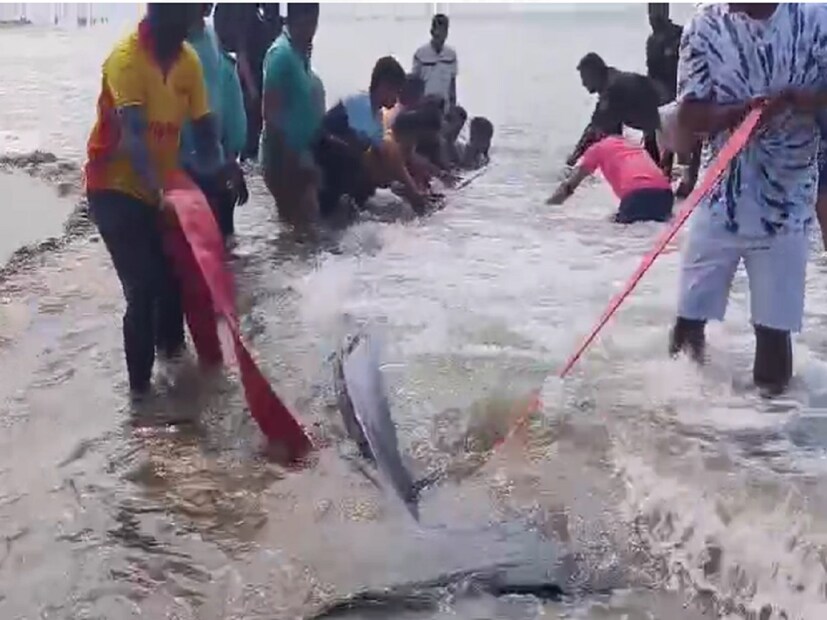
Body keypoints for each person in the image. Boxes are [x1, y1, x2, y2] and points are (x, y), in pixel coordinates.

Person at [669, 2, 827, 395]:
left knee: (774, 330)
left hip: (787, 206)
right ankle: (678, 414)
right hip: (719, 200)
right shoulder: (703, 26)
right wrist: (740, 113)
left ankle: (769, 439)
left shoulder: (815, 19)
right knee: (689, 318)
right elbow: (689, 116)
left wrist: (796, 99)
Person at [84, 3, 231, 399]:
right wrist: (160, 196)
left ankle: (178, 378)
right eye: (183, 19)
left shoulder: (188, 62)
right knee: (144, 287)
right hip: (113, 187)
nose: (190, 27)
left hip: (163, 187)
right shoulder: (126, 59)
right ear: (159, 16)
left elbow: (204, 130)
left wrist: (219, 174)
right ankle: (139, 397)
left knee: (175, 283)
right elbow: (133, 140)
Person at [315, 56, 429, 217]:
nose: (397, 100)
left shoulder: (376, 117)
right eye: (396, 92)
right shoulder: (359, 103)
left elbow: (387, 154)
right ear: (384, 86)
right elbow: (362, 147)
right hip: (326, 163)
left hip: (342, 168)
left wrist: (406, 186)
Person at [181, 3, 248, 240]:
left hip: (217, 165)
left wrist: (230, 158)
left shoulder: (209, 37)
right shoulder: (176, 48)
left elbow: (224, 97)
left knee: (227, 252)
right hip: (187, 174)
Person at [260, 3, 322, 231]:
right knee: (300, 225)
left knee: (299, 232)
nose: (314, 29)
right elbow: (270, 114)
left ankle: (287, 265)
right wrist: (289, 162)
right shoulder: (281, 55)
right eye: (312, 22)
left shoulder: (299, 53)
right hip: (283, 157)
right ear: (301, 19)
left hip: (300, 154)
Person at [546, 132, 673, 223]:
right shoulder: (634, 145)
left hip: (637, 196)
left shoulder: (597, 148)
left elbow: (569, 186)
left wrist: (546, 209)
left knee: (614, 231)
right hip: (665, 195)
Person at [566, 52, 662, 167]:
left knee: (608, 137)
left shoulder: (612, 90)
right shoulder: (613, 79)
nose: (583, 83)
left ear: (594, 73)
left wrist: (572, 160)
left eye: (585, 78)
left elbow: (594, 129)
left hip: (665, 119)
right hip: (661, 115)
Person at [213, 3, 279, 161]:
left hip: (259, 81)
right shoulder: (244, 11)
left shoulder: (265, 12)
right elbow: (242, 54)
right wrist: (253, 91)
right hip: (250, 85)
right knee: (250, 145)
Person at [412, 13, 458, 114]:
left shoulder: (451, 55)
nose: (440, 34)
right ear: (432, 31)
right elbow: (415, 83)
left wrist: (453, 107)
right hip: (425, 107)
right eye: (437, 30)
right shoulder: (421, 54)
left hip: (444, 108)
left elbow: (452, 84)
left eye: (443, 30)